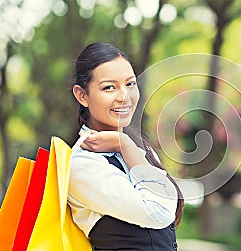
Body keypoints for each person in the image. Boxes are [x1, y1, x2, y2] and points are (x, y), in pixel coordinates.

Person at [68, 42, 184, 251]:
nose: (124, 97)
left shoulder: (138, 149)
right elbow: (159, 213)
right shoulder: (83, 163)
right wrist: (124, 145)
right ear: (82, 95)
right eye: (109, 87)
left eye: (130, 84)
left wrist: (124, 145)